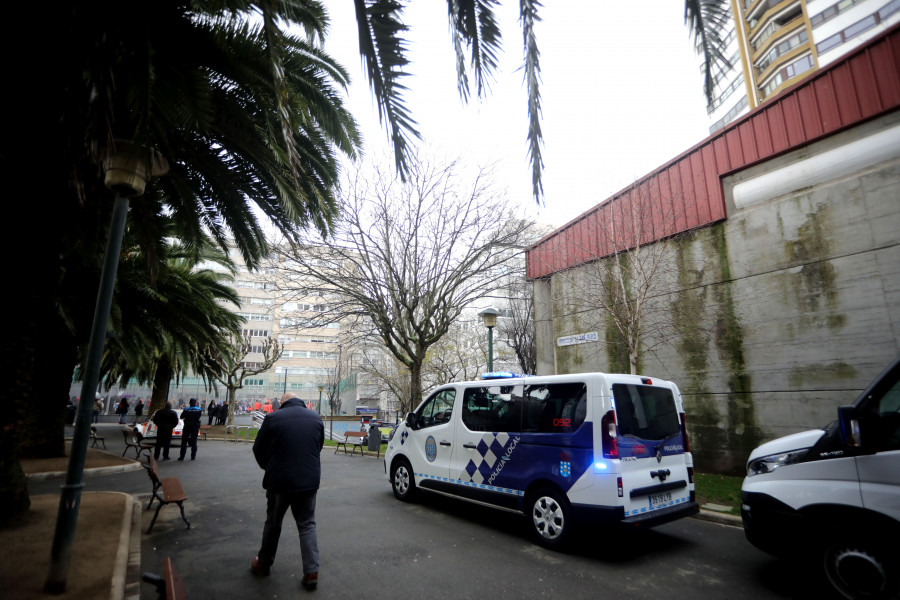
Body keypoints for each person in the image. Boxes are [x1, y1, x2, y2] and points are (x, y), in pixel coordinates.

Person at [251, 392, 324, 590]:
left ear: (282, 403)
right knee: (307, 524)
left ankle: (263, 564)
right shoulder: (316, 418)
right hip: (308, 482)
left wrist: (269, 467)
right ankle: (311, 571)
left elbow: (258, 449)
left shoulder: (273, 418)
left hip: (280, 482)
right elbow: (318, 447)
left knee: (273, 523)